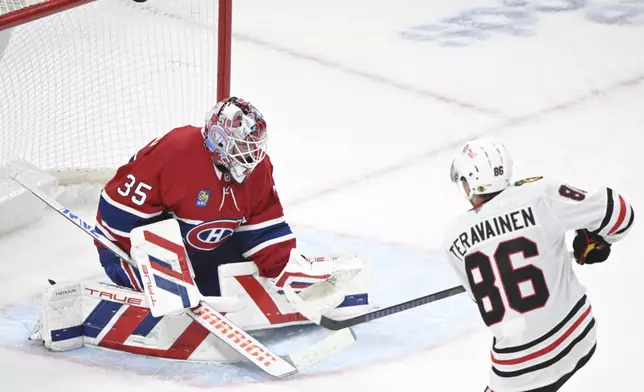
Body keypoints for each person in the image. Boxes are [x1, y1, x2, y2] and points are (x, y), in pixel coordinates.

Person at [443, 136, 634, 392]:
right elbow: (620, 214)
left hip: (520, 369)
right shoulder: (540, 194)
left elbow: (483, 299)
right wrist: (594, 240)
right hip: (579, 336)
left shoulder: (454, 239)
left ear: (469, 185)